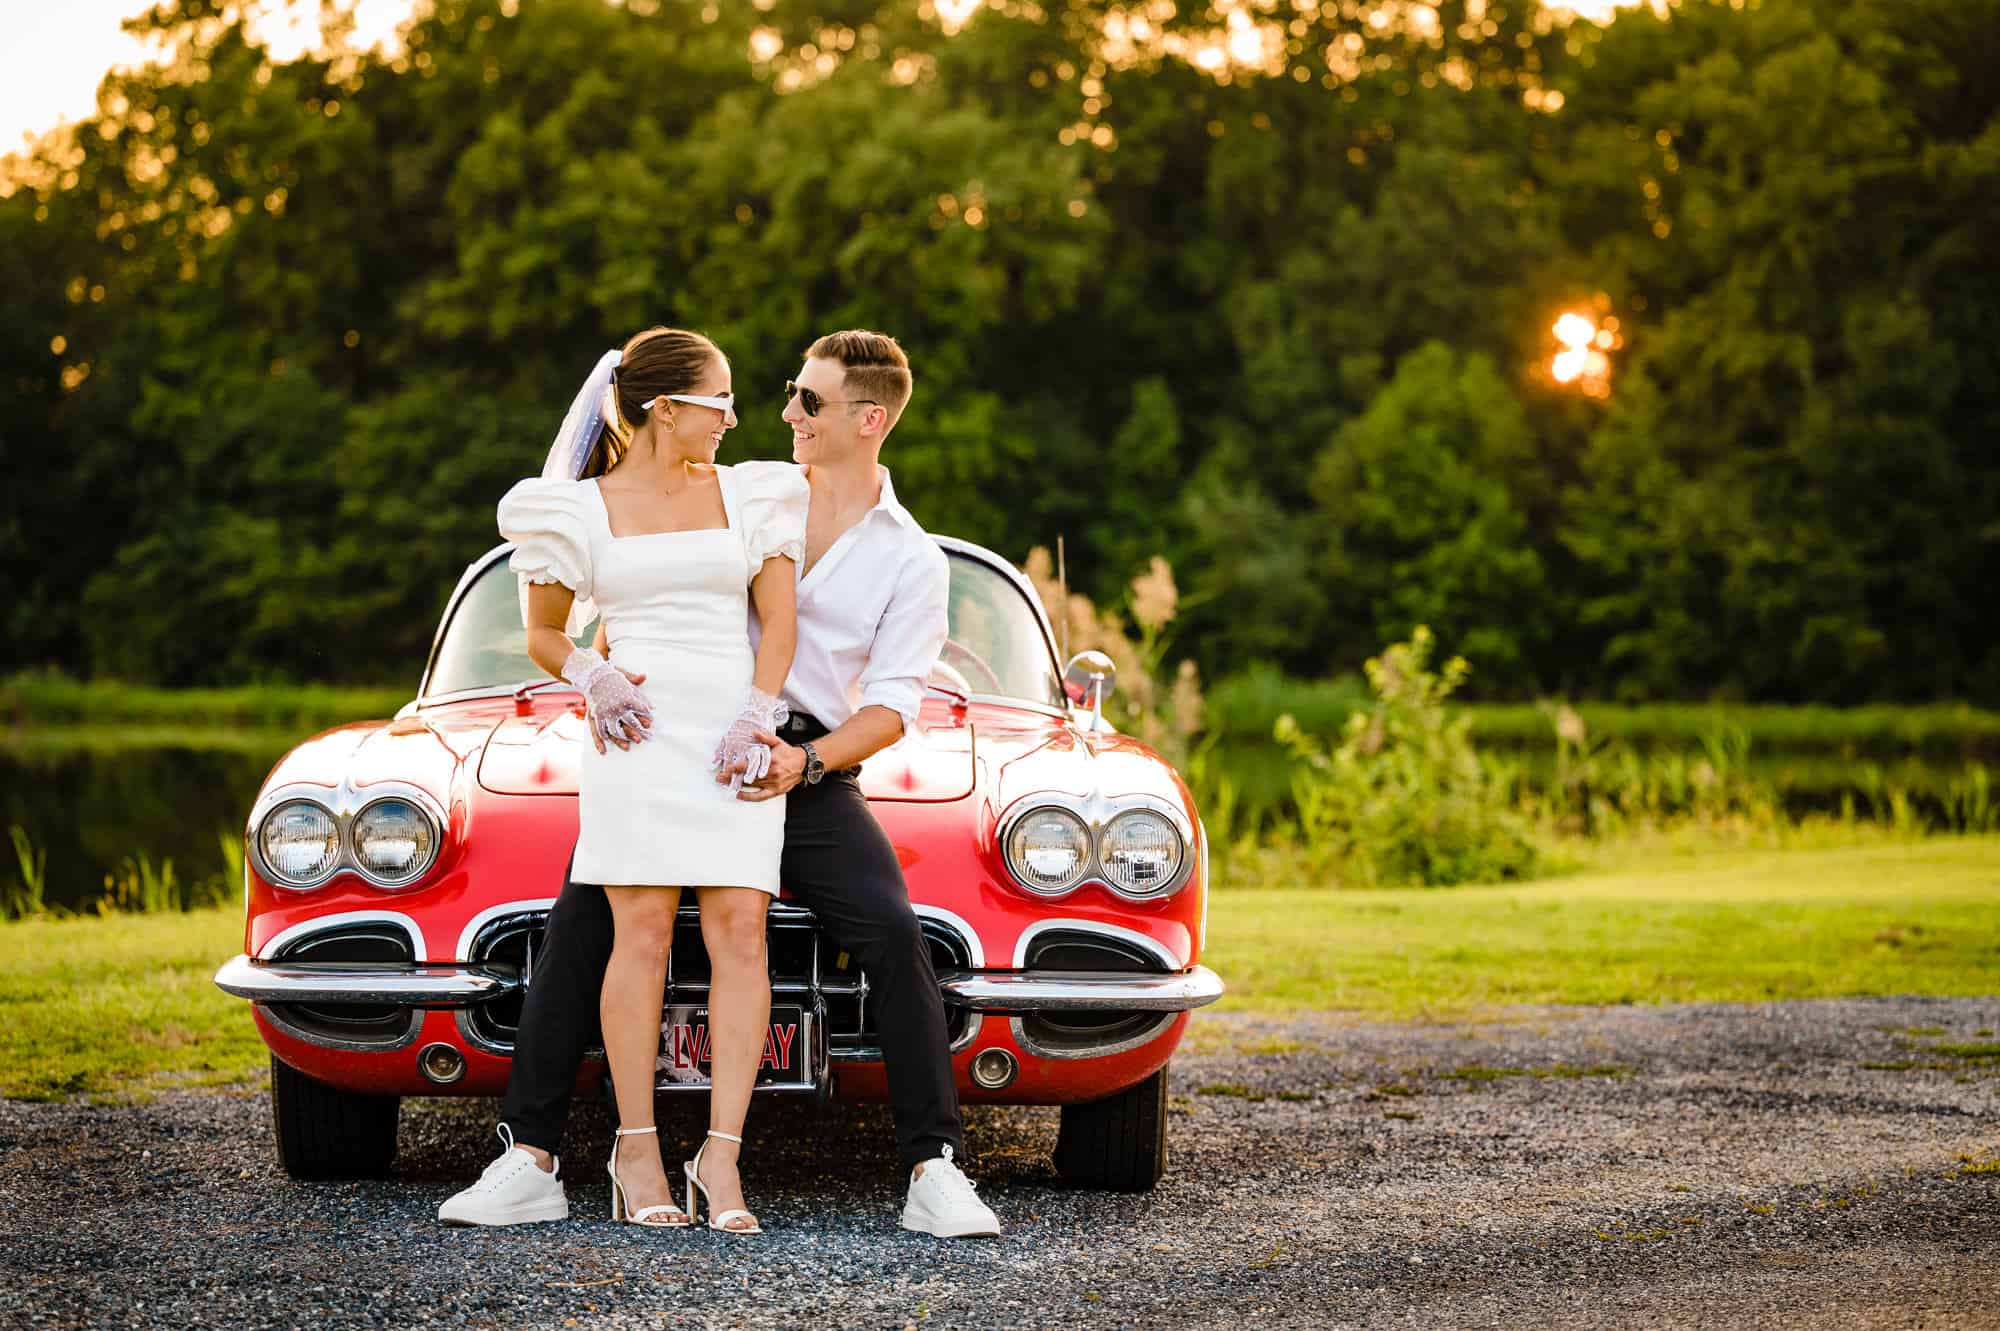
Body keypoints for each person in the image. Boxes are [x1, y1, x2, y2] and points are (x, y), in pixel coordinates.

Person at [438, 329, 1001, 1239]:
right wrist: (601, 673)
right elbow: (635, 603)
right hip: (670, 748)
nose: (784, 413)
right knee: (582, 916)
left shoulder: (909, 557)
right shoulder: (740, 488)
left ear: (868, 420)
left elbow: (895, 705)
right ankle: (530, 1152)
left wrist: (801, 759)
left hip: (802, 765)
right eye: (784, 391)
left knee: (895, 932)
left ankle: (933, 1165)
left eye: (806, 401)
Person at [451, 326, 807, 1234]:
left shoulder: (754, 492)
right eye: (719, 400)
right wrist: (593, 675)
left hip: (731, 738)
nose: (733, 417)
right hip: (635, 739)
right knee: (639, 934)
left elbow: (777, 624)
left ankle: (721, 1157)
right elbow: (543, 634)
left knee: (740, 932)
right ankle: (636, 1145)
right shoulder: (572, 509)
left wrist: (757, 714)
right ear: (665, 407)